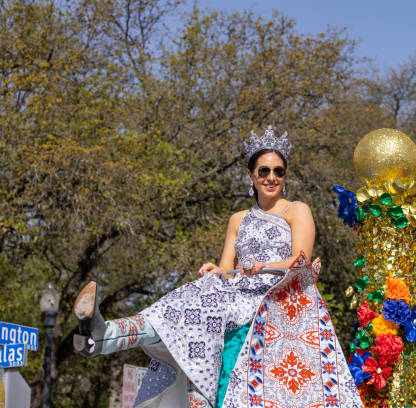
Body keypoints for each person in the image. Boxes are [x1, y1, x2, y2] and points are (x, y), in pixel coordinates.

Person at [73, 126, 363, 408]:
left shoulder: (296, 210)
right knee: (182, 311)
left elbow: (301, 257)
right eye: (264, 171)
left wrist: (264, 266)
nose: (271, 177)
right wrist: (214, 270)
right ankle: (105, 333)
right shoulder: (238, 219)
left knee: (196, 325)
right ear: (250, 175)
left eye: (278, 171)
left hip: (275, 298)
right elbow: (227, 269)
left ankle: (105, 337)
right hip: (236, 297)